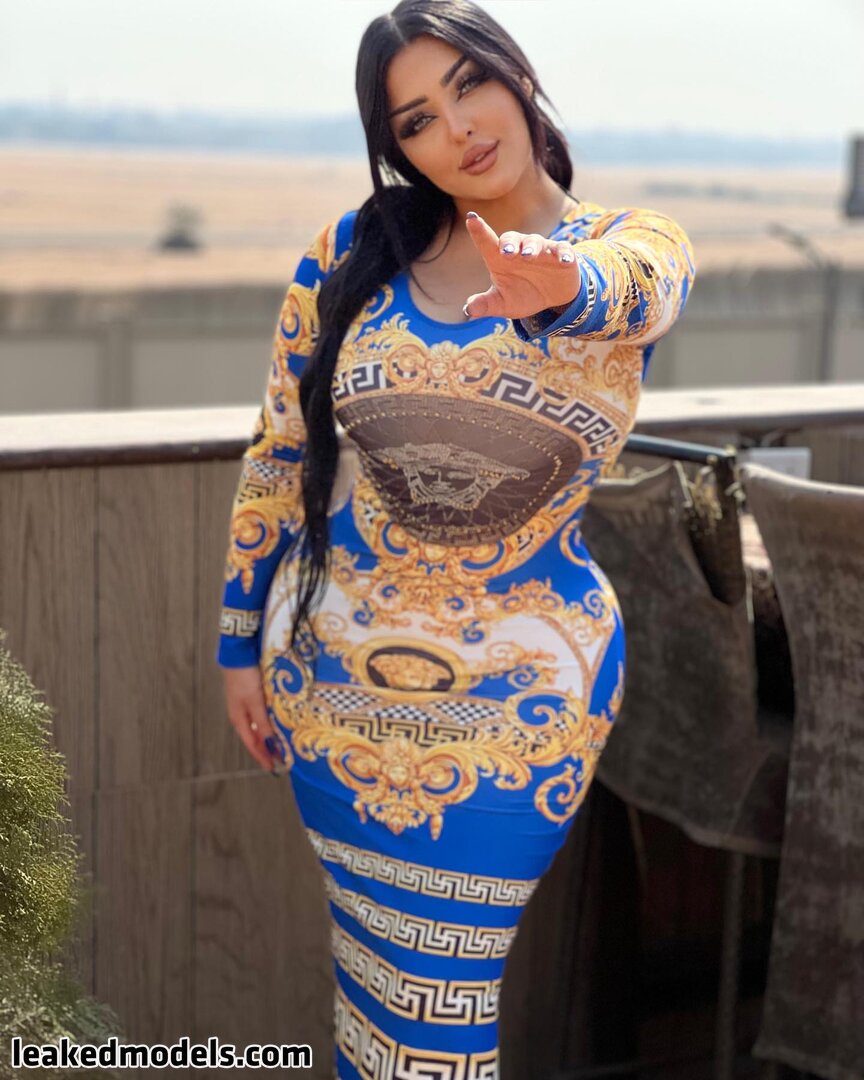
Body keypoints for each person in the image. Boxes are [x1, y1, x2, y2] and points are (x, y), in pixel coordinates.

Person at [217, 1, 695, 1076]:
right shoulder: (350, 253)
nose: (460, 128)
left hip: (523, 693)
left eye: (469, 84)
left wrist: (557, 286)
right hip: (327, 670)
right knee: (369, 993)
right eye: (418, 120)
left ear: (515, 75)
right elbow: (280, 450)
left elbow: (641, 291)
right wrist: (235, 641)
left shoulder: (631, 248)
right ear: (399, 151)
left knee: (444, 997)